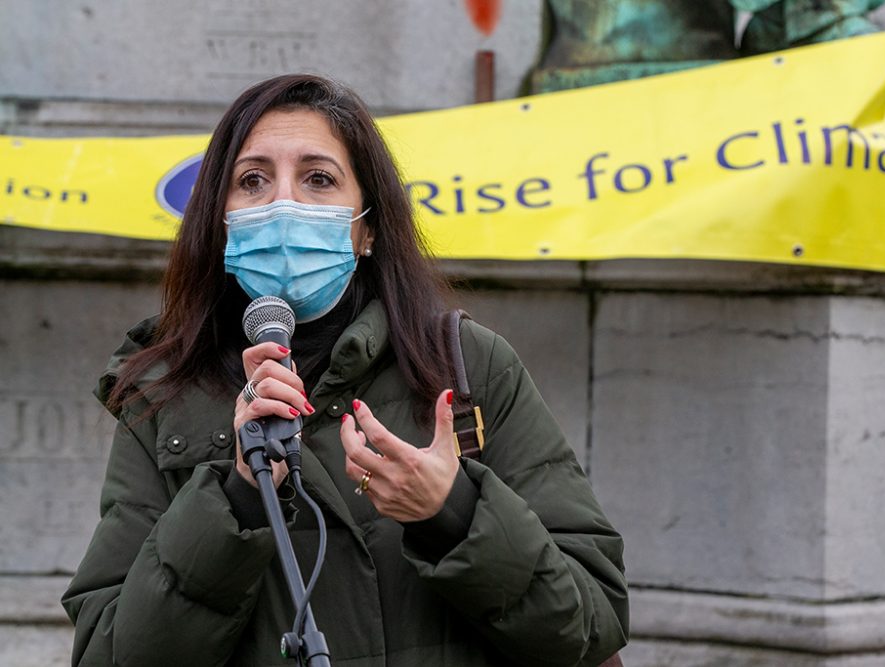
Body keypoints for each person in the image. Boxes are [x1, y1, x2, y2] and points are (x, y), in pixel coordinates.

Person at [62, 74, 629, 666]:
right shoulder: (161, 396)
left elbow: (592, 621)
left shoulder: (468, 368)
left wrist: (453, 512)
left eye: (319, 179)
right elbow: (109, 653)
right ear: (220, 221)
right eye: (252, 180)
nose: (285, 204)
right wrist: (237, 500)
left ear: (368, 227)